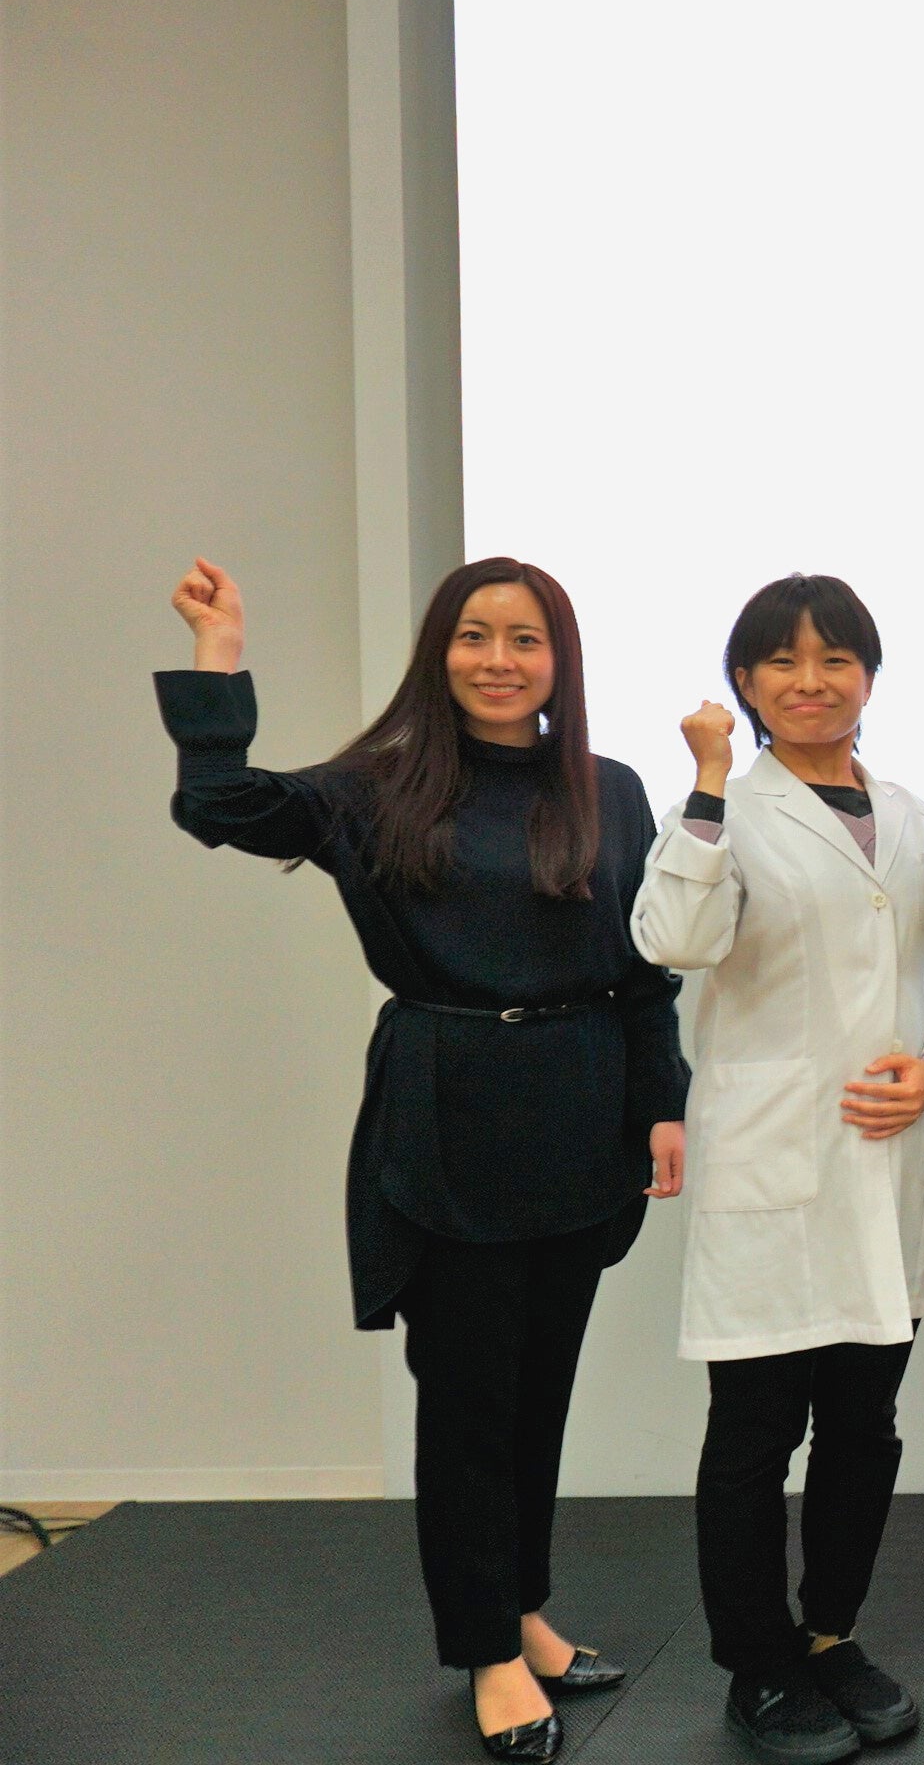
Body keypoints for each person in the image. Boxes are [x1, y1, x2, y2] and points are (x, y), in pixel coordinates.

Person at [159, 556, 685, 1764]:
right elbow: (217, 804)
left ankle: (526, 1611)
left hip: (581, 1116)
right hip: (448, 1122)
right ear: (439, 652)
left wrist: (662, 1100)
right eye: (474, 635)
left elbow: (642, 963)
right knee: (467, 1404)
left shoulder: (610, 788)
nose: (499, 659)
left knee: (539, 1392)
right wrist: (218, 655)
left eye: (525, 638)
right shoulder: (379, 786)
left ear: (560, 659)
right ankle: (487, 1651)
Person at [633, 574, 924, 1765]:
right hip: (774, 1172)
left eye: (834, 658)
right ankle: (758, 1662)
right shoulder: (720, 813)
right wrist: (704, 781)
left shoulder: (917, 821)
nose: (810, 680)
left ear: (869, 676)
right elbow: (675, 939)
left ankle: (830, 1632)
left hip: (889, 1173)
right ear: (744, 682)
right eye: (781, 660)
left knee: (862, 1424)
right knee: (752, 1432)